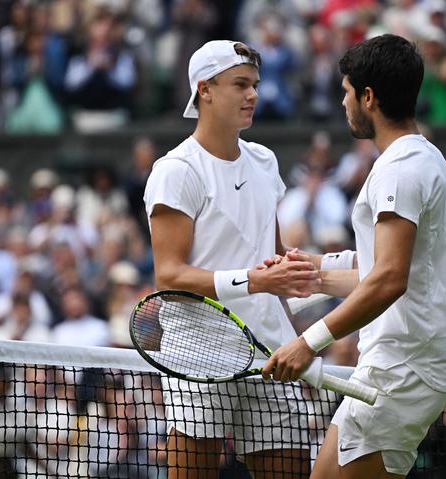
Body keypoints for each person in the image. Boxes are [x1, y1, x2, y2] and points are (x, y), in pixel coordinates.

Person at [262, 34, 446, 478]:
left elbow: (389, 279)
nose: (343, 101)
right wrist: (310, 271)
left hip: (401, 369)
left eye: (347, 92)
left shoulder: (400, 169)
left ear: (368, 97)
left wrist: (307, 343)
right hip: (397, 368)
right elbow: (379, 270)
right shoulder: (422, 159)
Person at [143, 40, 320, 478]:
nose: (253, 94)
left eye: (255, 84)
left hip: (269, 352)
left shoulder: (265, 160)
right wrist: (255, 282)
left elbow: (273, 256)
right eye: (240, 84)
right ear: (205, 90)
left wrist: (346, 271)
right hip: (198, 355)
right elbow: (169, 274)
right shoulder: (176, 170)